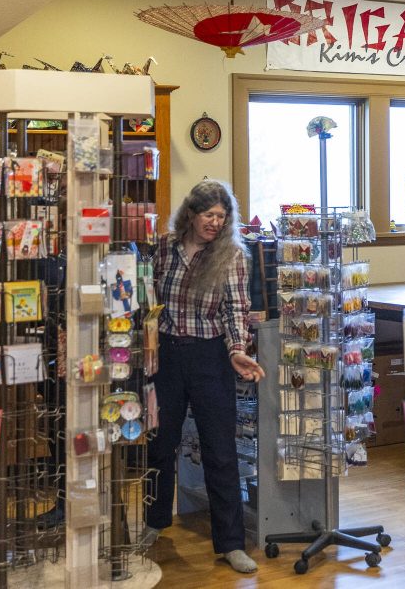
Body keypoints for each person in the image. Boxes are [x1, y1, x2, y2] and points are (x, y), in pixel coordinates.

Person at [142, 180, 265, 573]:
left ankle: (230, 543)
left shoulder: (231, 256)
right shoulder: (163, 247)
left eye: (221, 216)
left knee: (220, 450)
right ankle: (153, 522)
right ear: (190, 214)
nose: (215, 222)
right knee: (161, 444)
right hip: (166, 356)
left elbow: (234, 311)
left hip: (210, 357)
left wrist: (237, 350)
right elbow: (148, 298)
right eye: (208, 215)